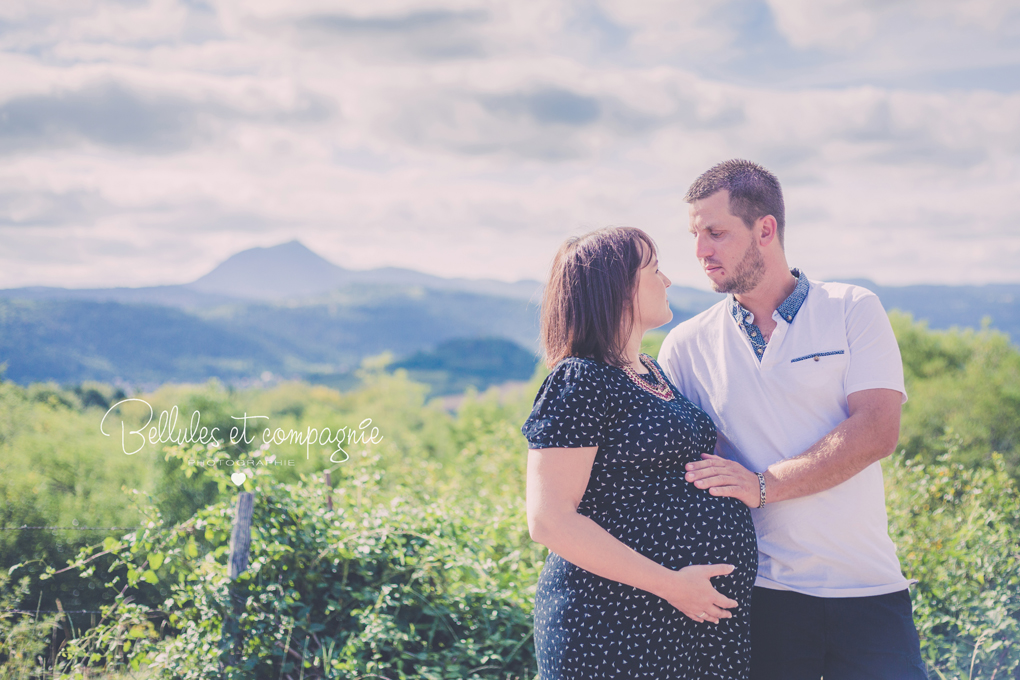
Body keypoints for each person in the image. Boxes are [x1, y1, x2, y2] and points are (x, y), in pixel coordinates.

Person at [657, 159, 927, 679]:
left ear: (765, 229)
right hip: (759, 597)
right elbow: (679, 467)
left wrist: (764, 485)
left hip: (867, 588)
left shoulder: (851, 308)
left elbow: (876, 429)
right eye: (695, 235)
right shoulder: (686, 346)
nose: (700, 252)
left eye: (715, 232)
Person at [521, 226, 757, 679]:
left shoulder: (649, 369)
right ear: (618, 288)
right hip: (617, 621)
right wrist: (672, 585)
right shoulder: (580, 381)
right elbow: (549, 520)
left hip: (687, 617)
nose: (667, 280)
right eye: (654, 269)